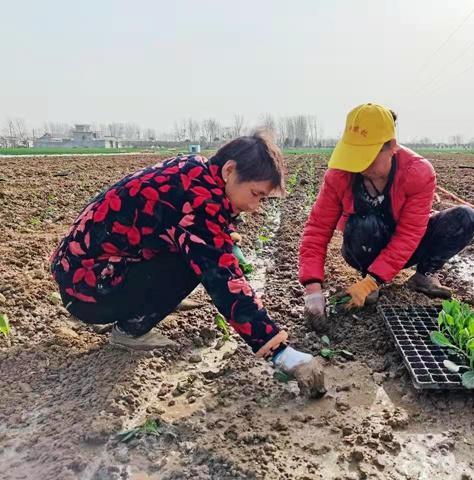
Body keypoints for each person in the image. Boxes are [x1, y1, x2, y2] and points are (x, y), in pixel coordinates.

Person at [50, 133, 325, 398]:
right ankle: (130, 329)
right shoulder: (199, 203)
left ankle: (152, 300)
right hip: (90, 291)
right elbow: (225, 281)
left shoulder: (194, 170)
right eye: (256, 194)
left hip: (80, 271)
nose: (255, 206)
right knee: (195, 263)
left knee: (196, 253)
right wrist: (280, 352)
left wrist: (224, 237)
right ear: (229, 170)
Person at [298, 103, 474, 332]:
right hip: (362, 245)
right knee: (365, 221)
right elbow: (317, 229)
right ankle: (369, 273)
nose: (360, 167)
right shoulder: (339, 175)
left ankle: (424, 275)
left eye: (368, 158)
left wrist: (373, 282)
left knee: (465, 218)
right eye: (355, 157)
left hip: (405, 247)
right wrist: (313, 289)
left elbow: (410, 233)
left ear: (392, 146)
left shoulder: (417, 172)